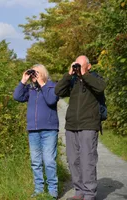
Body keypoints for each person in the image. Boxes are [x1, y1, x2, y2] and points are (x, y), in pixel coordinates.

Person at [55, 55, 106, 200]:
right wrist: (69, 74)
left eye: (81, 65)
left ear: (88, 66)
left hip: (89, 124)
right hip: (71, 125)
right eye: (76, 65)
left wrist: (84, 74)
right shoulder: (72, 81)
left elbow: (100, 88)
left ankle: (89, 194)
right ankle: (79, 192)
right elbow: (58, 91)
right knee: (73, 160)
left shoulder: (95, 78)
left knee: (87, 159)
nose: (78, 67)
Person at [13, 64, 59, 199]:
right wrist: (23, 80)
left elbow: (51, 100)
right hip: (33, 130)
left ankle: (52, 191)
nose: (34, 75)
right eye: (33, 73)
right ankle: (39, 190)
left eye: (37, 73)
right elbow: (17, 96)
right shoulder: (30, 89)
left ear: (43, 74)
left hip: (49, 130)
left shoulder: (52, 86)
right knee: (35, 161)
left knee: (49, 161)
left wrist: (42, 83)